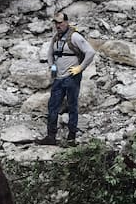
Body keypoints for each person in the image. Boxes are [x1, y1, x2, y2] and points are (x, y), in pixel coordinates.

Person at [37, 12, 95, 145]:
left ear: (66, 22)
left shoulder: (74, 36)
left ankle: (71, 138)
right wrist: (51, 66)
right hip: (58, 77)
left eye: (60, 22)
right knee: (53, 106)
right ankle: (51, 136)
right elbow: (50, 53)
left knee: (72, 106)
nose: (58, 25)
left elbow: (90, 52)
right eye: (56, 23)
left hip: (72, 76)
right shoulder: (56, 37)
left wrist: (81, 68)